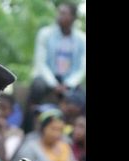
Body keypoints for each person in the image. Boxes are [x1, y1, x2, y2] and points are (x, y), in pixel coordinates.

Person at [23, 1, 86, 133]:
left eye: (64, 13)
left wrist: (68, 84)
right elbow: (40, 62)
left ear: (73, 17)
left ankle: (76, 134)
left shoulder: (81, 39)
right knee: (36, 86)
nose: (59, 16)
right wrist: (53, 84)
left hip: (69, 81)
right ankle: (27, 129)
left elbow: (82, 68)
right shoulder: (45, 34)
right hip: (48, 78)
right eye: (59, 12)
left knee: (82, 97)